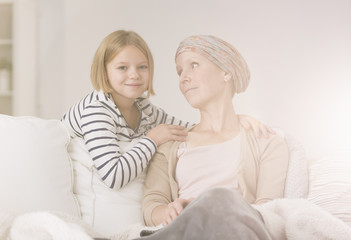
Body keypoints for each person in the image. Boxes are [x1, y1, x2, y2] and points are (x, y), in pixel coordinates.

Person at [61, 30, 272, 191]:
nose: (134, 75)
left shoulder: (144, 109)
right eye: (122, 68)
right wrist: (152, 139)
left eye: (142, 67)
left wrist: (235, 119)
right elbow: (113, 176)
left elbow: (188, 129)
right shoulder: (96, 110)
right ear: (105, 73)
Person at [140, 35, 290, 239]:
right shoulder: (169, 146)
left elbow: (268, 211)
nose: (183, 77)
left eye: (193, 65)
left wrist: (210, 207)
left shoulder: (267, 142)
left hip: (235, 231)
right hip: (181, 231)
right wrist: (172, 212)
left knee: (218, 197)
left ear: (226, 71)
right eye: (179, 71)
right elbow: (152, 203)